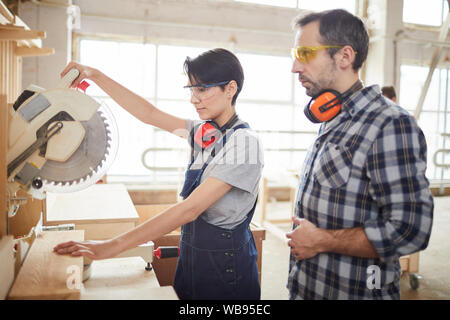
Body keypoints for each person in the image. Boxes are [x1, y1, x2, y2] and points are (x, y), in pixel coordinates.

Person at [53, 48, 264, 300]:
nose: (194, 99)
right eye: (192, 90)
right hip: (192, 261)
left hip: (226, 271)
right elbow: (148, 114)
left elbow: (190, 209)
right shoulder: (205, 133)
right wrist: (95, 75)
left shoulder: (244, 143)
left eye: (203, 89)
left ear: (230, 89)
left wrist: (110, 247)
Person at [286, 9, 433, 300]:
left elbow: (411, 229)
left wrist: (322, 241)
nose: (295, 66)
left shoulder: (389, 124)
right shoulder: (332, 115)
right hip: (310, 287)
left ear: (344, 57)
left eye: (305, 53)